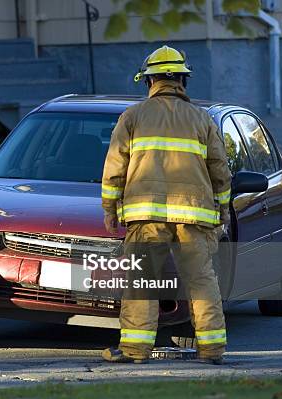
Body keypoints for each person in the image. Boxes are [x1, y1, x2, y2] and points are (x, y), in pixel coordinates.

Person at [100, 45, 232, 365]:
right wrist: (223, 209)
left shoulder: (132, 117)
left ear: (150, 81)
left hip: (146, 215)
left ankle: (135, 350)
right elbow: (221, 170)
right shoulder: (202, 119)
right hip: (195, 213)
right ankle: (212, 349)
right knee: (202, 280)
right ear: (182, 82)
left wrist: (109, 209)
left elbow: (114, 166)